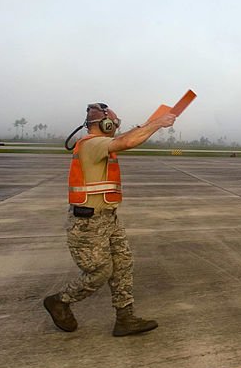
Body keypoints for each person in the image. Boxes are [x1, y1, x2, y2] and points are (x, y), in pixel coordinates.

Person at [43, 103, 176, 336]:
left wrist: (145, 126)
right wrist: (158, 124)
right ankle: (60, 301)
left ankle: (125, 318)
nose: (116, 126)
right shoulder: (91, 144)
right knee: (99, 272)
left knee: (123, 264)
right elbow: (127, 142)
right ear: (104, 124)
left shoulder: (102, 144)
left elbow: (124, 138)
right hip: (88, 224)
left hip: (108, 219)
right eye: (114, 123)